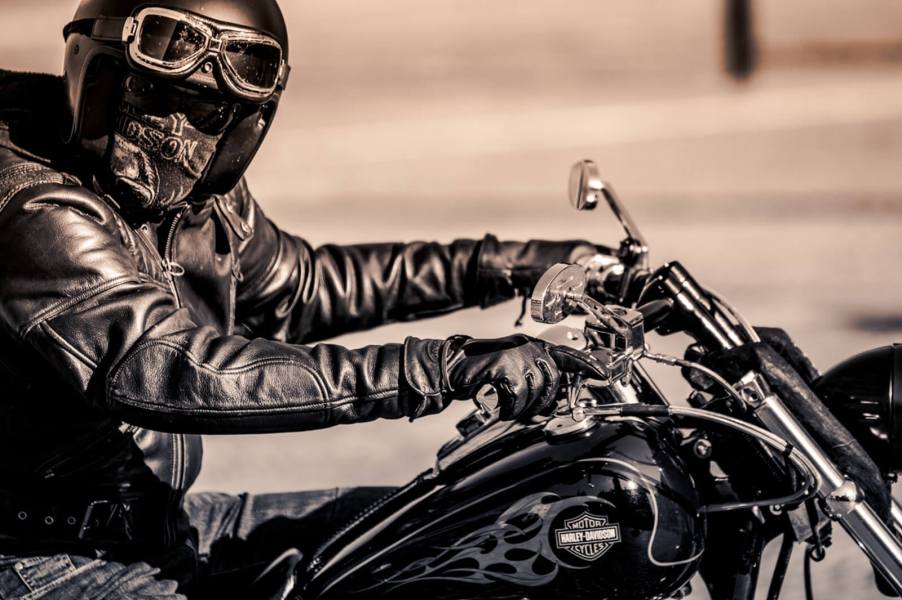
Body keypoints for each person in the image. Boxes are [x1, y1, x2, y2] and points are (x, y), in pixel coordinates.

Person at [0, 1, 608, 597]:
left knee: (475, 521)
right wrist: (441, 366)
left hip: (159, 524)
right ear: (99, 73)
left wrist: (511, 264)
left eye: (209, 112)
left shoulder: (194, 199)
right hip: (53, 562)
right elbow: (170, 367)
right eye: (154, 99)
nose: (174, 132)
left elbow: (305, 286)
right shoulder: (36, 208)